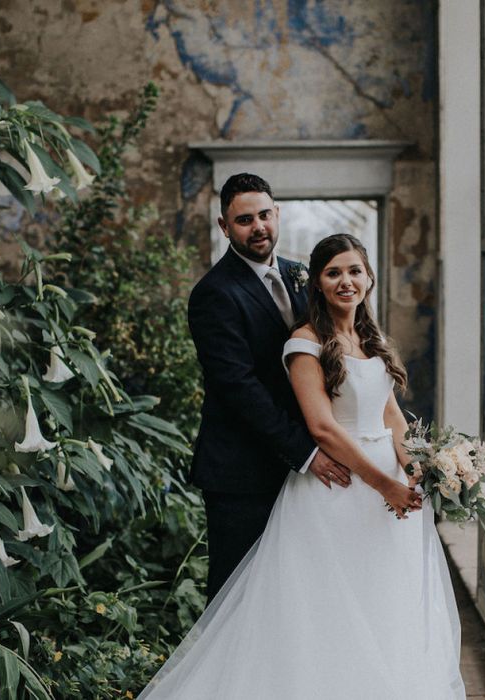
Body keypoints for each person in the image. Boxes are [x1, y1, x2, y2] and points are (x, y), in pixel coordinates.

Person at [139, 234, 465, 699]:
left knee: (383, 599)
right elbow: (323, 428)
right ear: (316, 283)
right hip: (339, 489)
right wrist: (383, 486)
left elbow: (392, 416)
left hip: (388, 492)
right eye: (334, 273)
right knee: (329, 606)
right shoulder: (305, 342)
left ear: (369, 277)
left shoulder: (371, 340)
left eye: (354, 271)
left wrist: (414, 469)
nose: (346, 281)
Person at [187, 173, 349, 601]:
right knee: (238, 594)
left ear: (277, 214)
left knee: (297, 590)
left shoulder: (303, 275)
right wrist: (307, 452)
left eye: (264, 215)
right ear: (225, 227)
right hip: (243, 472)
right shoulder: (214, 294)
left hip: (304, 465)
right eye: (244, 220)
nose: (258, 226)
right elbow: (239, 388)